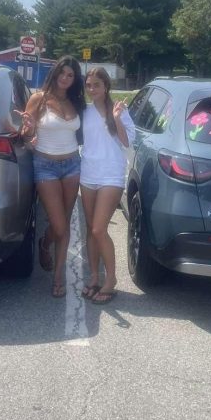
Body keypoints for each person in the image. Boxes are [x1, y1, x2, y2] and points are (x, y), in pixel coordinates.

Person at [18, 55, 85, 298]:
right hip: (45, 165)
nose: (66, 79)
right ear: (55, 73)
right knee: (58, 224)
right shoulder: (39, 98)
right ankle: (58, 277)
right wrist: (27, 128)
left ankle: (48, 249)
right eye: (62, 73)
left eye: (71, 75)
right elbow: (26, 134)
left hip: (72, 166)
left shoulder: (76, 101)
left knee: (63, 225)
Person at [79, 67, 135, 304]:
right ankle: (94, 276)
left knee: (99, 229)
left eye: (97, 85)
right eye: (89, 85)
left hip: (111, 175)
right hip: (88, 174)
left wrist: (117, 118)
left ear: (106, 86)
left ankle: (110, 279)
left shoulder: (120, 110)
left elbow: (127, 142)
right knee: (91, 229)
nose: (92, 90)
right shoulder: (85, 111)